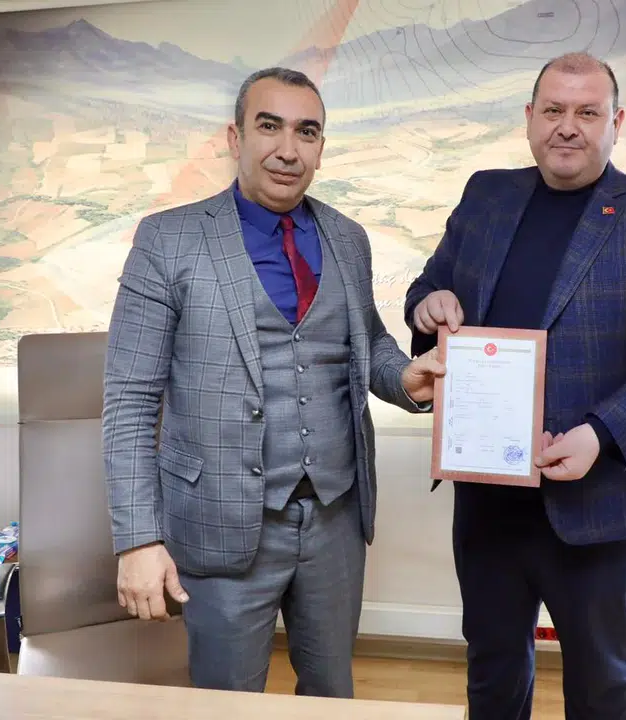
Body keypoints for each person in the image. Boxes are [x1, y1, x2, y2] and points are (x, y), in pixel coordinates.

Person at [102, 67, 445, 698]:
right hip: (220, 520)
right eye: (270, 127)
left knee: (331, 697)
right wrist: (138, 539)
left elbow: (365, 343)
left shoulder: (348, 238)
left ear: (320, 147)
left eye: (306, 132)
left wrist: (404, 378)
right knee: (227, 704)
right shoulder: (168, 240)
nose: (288, 149)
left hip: (336, 519)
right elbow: (129, 401)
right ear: (235, 138)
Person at [404, 52, 626, 719]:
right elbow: (431, 286)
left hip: (599, 500)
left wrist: (601, 435)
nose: (567, 126)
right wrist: (426, 306)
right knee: (492, 673)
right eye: (553, 110)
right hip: (489, 495)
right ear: (530, 117)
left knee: (599, 684)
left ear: (616, 123)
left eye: (587, 112)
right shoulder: (486, 196)